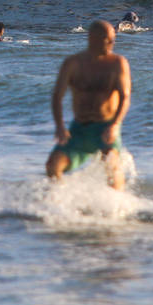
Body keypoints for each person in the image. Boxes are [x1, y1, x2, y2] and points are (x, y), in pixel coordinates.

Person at [46, 20, 131, 191]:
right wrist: (60, 127)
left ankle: (119, 206)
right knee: (53, 166)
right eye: (107, 39)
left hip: (106, 127)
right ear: (92, 39)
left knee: (111, 166)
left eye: (113, 39)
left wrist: (115, 125)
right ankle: (60, 202)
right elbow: (57, 96)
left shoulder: (117, 63)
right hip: (80, 129)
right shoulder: (73, 63)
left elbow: (125, 96)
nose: (112, 43)